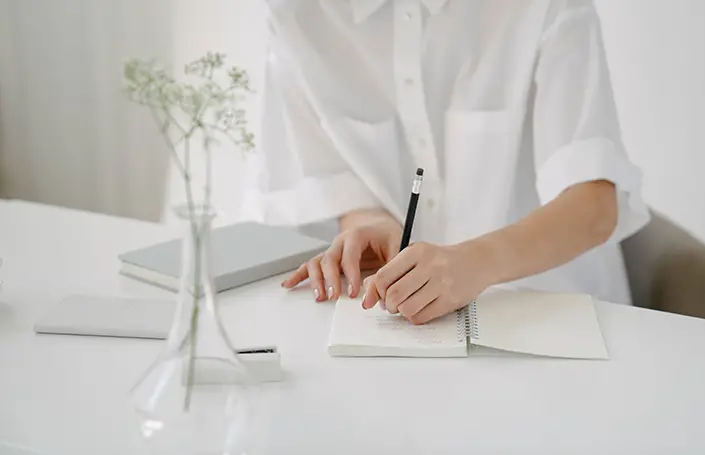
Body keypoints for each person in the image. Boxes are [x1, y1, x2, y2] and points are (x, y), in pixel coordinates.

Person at [244, 0, 650, 325]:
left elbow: (595, 206)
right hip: (397, 323)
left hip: (549, 310)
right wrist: (370, 224)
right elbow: (339, 181)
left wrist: (476, 262)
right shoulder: (298, 15)